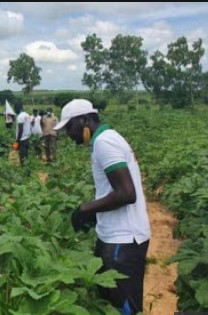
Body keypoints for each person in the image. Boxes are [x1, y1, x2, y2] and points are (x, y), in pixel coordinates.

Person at [54, 99, 150, 314]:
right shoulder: (106, 139)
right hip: (116, 237)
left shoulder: (104, 142)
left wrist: (85, 209)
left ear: (85, 120)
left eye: (70, 127)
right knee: (108, 303)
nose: (69, 134)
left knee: (123, 307)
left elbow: (126, 193)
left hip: (122, 240)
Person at [13, 100, 31, 165]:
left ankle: (24, 171)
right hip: (27, 138)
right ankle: (27, 170)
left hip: (22, 139)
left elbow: (21, 130)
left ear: (18, 107)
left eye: (15, 108)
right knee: (26, 156)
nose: (15, 110)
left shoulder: (20, 117)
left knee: (22, 157)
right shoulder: (27, 115)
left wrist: (17, 141)